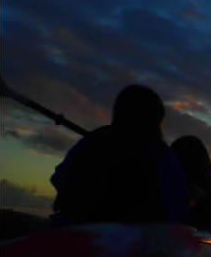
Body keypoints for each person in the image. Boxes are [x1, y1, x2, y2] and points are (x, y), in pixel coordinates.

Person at [51, 84, 190, 225]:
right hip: (134, 236)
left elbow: (60, 177)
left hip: (76, 228)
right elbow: (178, 206)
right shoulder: (161, 154)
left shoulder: (95, 139)